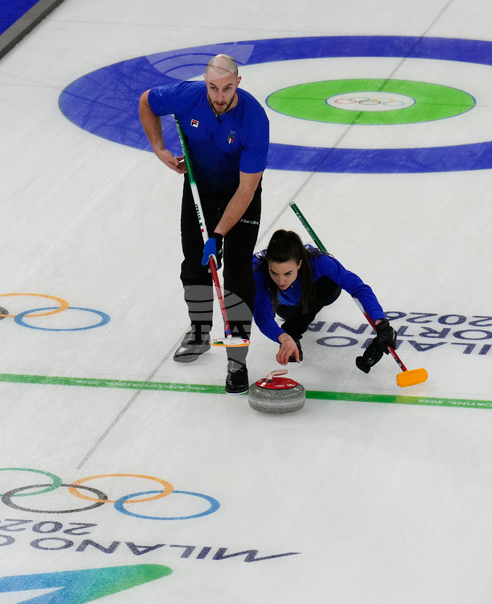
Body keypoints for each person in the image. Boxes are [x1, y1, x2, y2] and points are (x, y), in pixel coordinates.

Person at [139, 54, 269, 394]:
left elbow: (247, 188)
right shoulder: (187, 95)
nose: (219, 96)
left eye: (227, 88)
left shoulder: (254, 121)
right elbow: (147, 101)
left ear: (238, 83)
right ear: (205, 82)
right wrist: (159, 148)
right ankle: (199, 331)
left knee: (237, 274)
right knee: (195, 266)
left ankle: (237, 361)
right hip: (198, 188)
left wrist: (219, 233)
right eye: (213, 87)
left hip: (240, 196)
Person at [252, 229, 397, 371]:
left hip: (319, 294)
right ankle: (291, 333)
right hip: (286, 308)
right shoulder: (257, 269)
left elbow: (358, 288)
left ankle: (293, 331)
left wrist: (380, 322)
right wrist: (282, 337)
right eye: (274, 273)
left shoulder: (320, 262)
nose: (281, 281)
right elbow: (262, 315)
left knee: (329, 280)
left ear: (299, 264)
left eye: (288, 273)